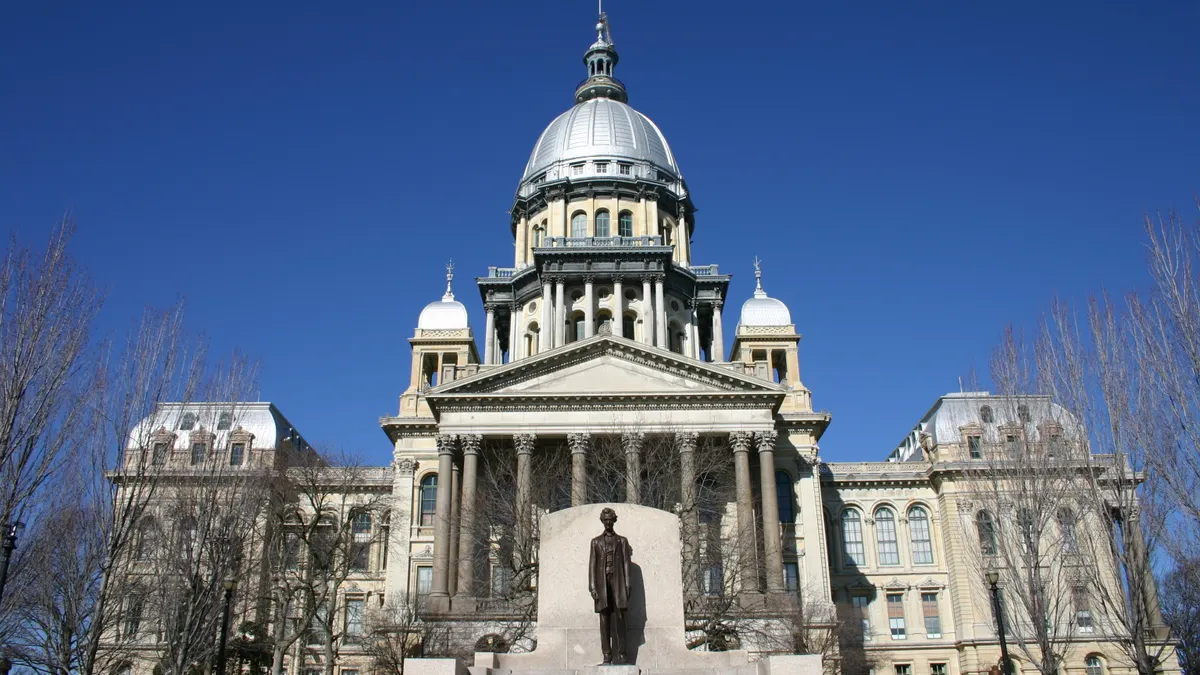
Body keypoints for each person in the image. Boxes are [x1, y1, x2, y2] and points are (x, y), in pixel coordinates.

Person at [588, 507, 632, 665]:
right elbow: (592, 565)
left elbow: (626, 563)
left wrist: (628, 585)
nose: (607, 523)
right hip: (602, 583)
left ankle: (623, 655)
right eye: (605, 520)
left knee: (621, 618)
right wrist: (592, 587)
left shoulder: (622, 541)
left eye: (610, 520)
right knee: (604, 619)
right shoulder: (595, 542)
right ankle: (607, 656)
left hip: (618, 580)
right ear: (602, 521)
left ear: (614, 520)